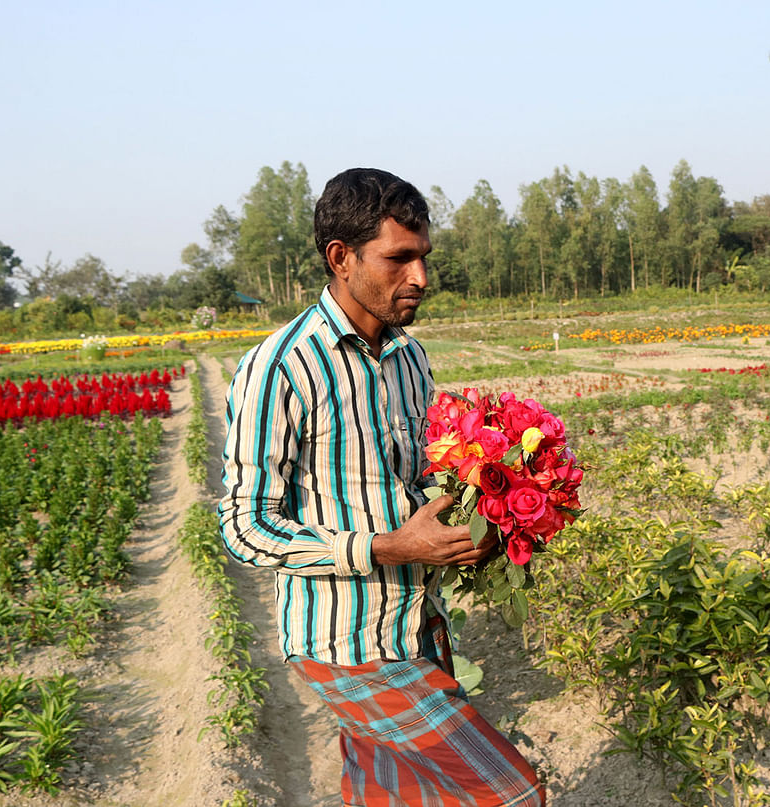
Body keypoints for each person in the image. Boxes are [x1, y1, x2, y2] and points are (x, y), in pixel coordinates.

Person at [218, 168, 545, 806]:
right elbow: (243, 526)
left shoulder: (408, 357)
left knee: (391, 799)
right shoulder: (282, 367)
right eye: (398, 259)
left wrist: (470, 524)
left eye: (422, 258)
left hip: (417, 626)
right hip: (345, 642)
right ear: (341, 258)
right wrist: (388, 546)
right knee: (512, 793)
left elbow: (417, 476)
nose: (419, 278)